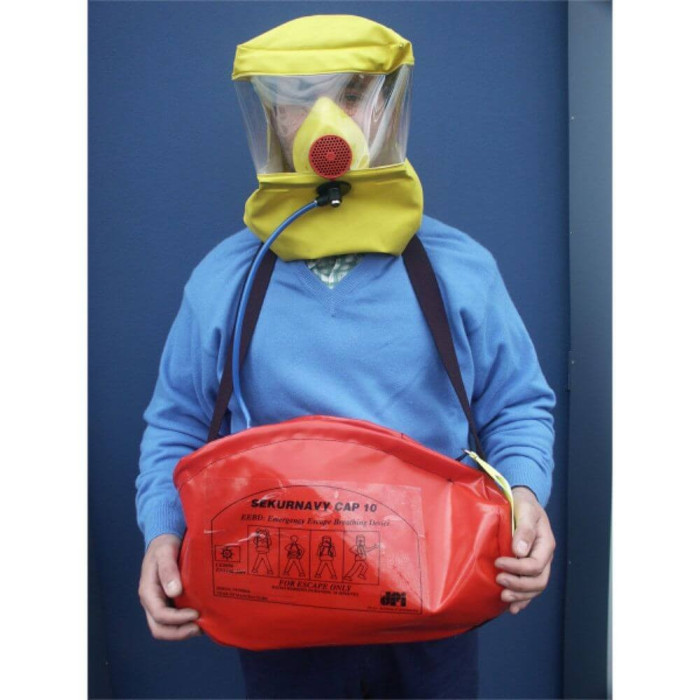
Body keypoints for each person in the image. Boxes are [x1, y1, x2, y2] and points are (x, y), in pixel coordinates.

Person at [136, 15, 556, 699]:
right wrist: (163, 534)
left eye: (353, 94)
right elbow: (179, 422)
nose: (325, 120)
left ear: (388, 108)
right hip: (280, 604)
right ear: (269, 117)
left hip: (434, 601)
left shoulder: (459, 268)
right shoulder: (224, 280)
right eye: (297, 97)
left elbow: (516, 405)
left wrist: (525, 498)